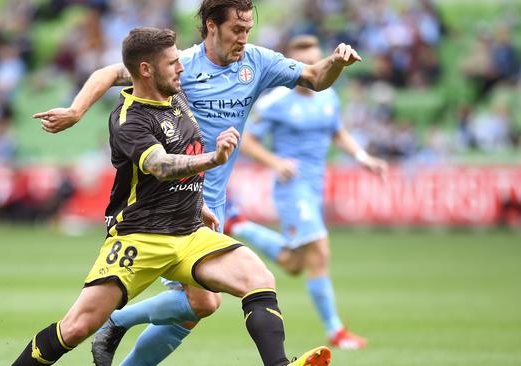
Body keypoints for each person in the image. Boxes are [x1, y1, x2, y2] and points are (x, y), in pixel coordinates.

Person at [33, 1, 361, 364]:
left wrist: (336, 62)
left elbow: (315, 78)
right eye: (237, 30)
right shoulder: (180, 66)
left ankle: (117, 321)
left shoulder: (258, 62)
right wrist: (76, 110)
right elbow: (109, 73)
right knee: (201, 303)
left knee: (193, 311)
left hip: (208, 205)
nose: (243, 38)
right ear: (211, 27)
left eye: (248, 29)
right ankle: (116, 319)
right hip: (168, 202)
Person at [237, 34, 388, 350]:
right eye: (303, 60)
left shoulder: (328, 97)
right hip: (293, 188)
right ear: (292, 66)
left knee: (294, 263)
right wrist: (275, 161)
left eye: (316, 59)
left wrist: (363, 158)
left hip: (316, 186)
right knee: (320, 250)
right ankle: (336, 330)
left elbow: (338, 132)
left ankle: (238, 225)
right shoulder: (275, 101)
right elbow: (246, 140)